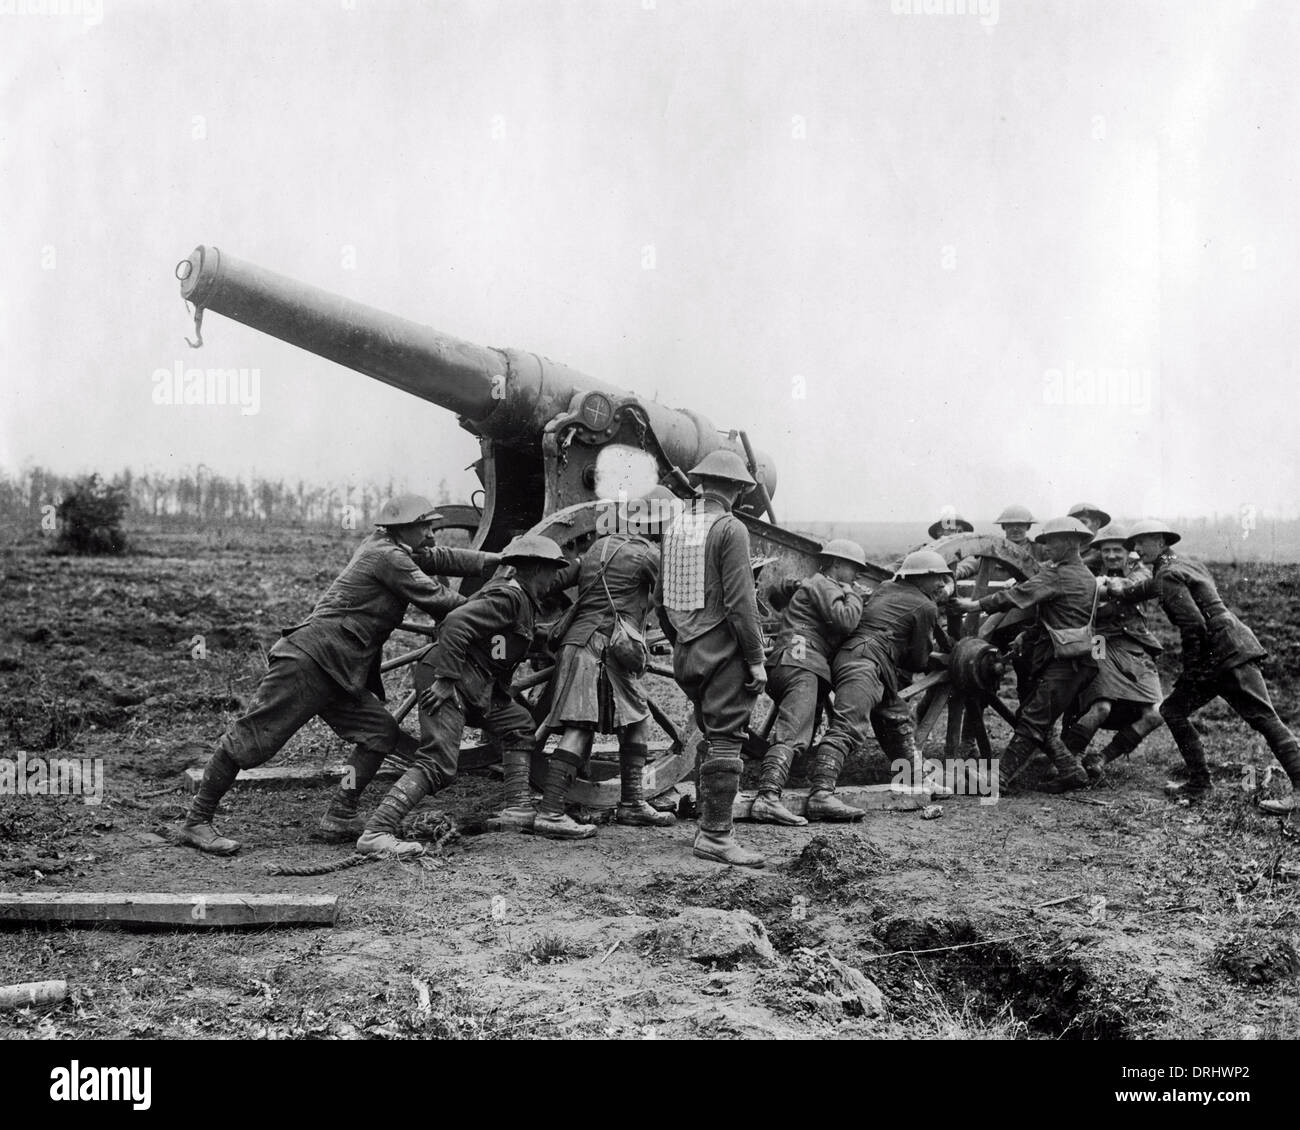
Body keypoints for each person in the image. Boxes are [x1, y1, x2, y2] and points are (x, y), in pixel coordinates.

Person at [172, 495, 498, 855]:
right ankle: (196, 822)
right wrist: (497, 608)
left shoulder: (390, 546)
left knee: (379, 733)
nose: (432, 534)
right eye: (425, 526)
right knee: (252, 740)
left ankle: (339, 814)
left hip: (340, 670)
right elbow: (438, 599)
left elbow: (440, 558)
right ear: (403, 527)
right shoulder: (388, 556)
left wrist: (496, 562)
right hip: (309, 661)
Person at [356, 535, 572, 856]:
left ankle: (518, 808)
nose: (555, 579)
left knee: (519, 724)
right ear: (537, 568)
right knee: (438, 764)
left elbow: (512, 637)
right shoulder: (509, 597)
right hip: (449, 679)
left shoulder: (520, 599)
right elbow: (456, 622)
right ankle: (377, 832)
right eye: (553, 571)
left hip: (477, 686)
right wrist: (445, 680)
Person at [1106, 519, 1300, 811]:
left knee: (1263, 717)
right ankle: (1200, 783)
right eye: (1133, 543)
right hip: (1227, 647)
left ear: (1159, 541)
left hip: (1224, 652)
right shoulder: (1185, 565)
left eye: (1141, 542)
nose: (1135, 548)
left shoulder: (1168, 574)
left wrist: (1193, 670)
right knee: (1174, 710)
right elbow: (1150, 586)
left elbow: (1193, 625)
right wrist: (1120, 592)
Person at [534, 488, 680, 840]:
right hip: (602, 648)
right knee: (582, 727)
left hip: (578, 643)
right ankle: (551, 811)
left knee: (637, 719)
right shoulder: (647, 553)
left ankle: (630, 803)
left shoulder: (599, 547)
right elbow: (666, 603)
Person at [657, 449, 767, 867]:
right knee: (726, 737)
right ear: (738, 489)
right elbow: (742, 601)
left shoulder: (677, 527)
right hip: (723, 651)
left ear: (702, 484)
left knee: (711, 732)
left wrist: (682, 638)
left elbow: (660, 598)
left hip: (688, 652)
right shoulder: (730, 528)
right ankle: (717, 836)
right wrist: (755, 658)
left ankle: (709, 825)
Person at [953, 516, 1099, 793]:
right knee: (1033, 714)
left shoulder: (1057, 575)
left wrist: (973, 605)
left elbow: (1015, 595)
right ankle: (1071, 771)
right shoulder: (1087, 577)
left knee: (1033, 718)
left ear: (1071, 543)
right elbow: (1063, 616)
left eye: (1053, 542)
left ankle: (1000, 778)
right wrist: (1027, 635)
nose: (1047, 547)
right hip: (1079, 661)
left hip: (1064, 663)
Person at [803, 550, 951, 821]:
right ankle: (821, 794)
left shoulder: (885, 587)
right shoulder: (926, 607)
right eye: (937, 577)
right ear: (921, 578)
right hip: (865, 664)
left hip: (862, 659)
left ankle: (917, 781)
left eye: (944, 577)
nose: (942, 583)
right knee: (849, 725)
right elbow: (918, 660)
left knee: (896, 718)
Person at [750, 539, 868, 825]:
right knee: (793, 733)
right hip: (801, 665)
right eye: (853, 569)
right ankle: (767, 799)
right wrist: (854, 595)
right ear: (838, 565)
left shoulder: (815, 585)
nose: (856, 576)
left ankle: (784, 791)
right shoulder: (826, 584)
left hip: (792, 663)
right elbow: (846, 620)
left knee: (799, 728)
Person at [1061, 523, 1164, 781]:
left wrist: (1103, 585)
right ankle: (1067, 758)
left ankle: (1102, 757)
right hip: (1100, 642)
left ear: (1129, 551)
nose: (1112, 556)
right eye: (1106, 551)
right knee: (1102, 707)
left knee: (1155, 714)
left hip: (1135, 646)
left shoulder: (1140, 573)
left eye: (1117, 550)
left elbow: (1132, 587)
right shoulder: (1090, 572)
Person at [1068, 502, 1112, 572]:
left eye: (1083, 522)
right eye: (1074, 523)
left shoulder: (1107, 550)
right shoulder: (1062, 550)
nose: (1078, 527)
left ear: (1097, 523)